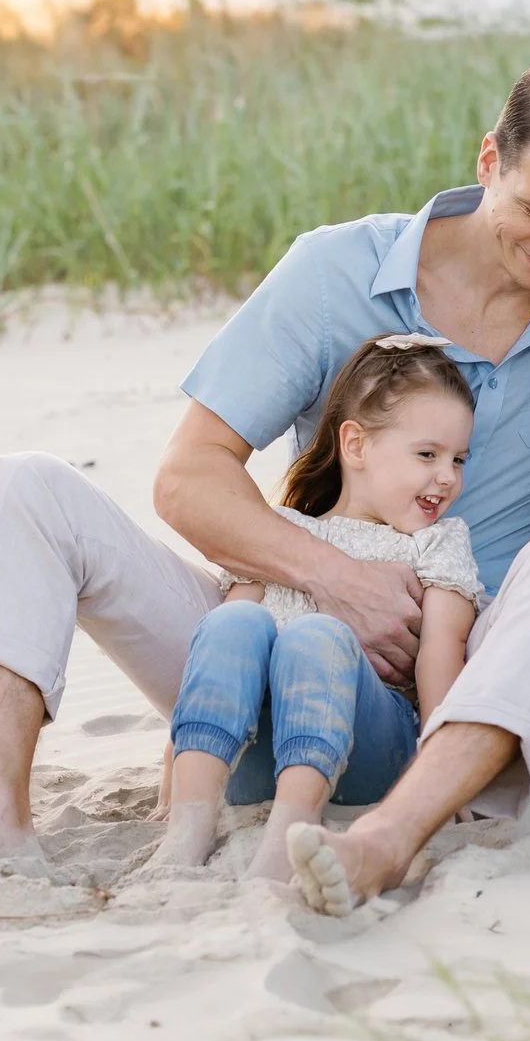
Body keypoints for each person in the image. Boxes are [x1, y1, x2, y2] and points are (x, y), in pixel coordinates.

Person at [0, 51, 530, 904]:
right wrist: (339, 579)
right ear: (487, 162)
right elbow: (188, 476)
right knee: (18, 485)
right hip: (261, 643)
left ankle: (402, 825)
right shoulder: (334, 274)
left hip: (441, 696)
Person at [156, 335, 485, 883]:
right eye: (427, 455)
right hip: (254, 758)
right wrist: (171, 769)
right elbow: (212, 659)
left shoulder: (435, 545)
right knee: (233, 619)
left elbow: (441, 657)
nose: (447, 477)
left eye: (458, 459)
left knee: (316, 636)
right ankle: (188, 822)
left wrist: (442, 777)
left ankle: (292, 828)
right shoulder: (282, 536)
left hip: (365, 755)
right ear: (356, 446)